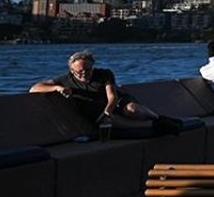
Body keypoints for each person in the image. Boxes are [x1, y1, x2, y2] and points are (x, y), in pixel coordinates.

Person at [31, 50, 182, 135]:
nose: (84, 74)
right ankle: (152, 127)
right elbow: (35, 88)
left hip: (115, 103)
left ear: (93, 67)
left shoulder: (104, 74)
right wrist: (57, 88)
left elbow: (112, 96)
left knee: (132, 109)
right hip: (96, 110)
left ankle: (159, 119)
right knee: (112, 123)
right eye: (79, 72)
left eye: (88, 70)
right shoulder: (65, 79)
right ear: (72, 70)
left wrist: (107, 112)